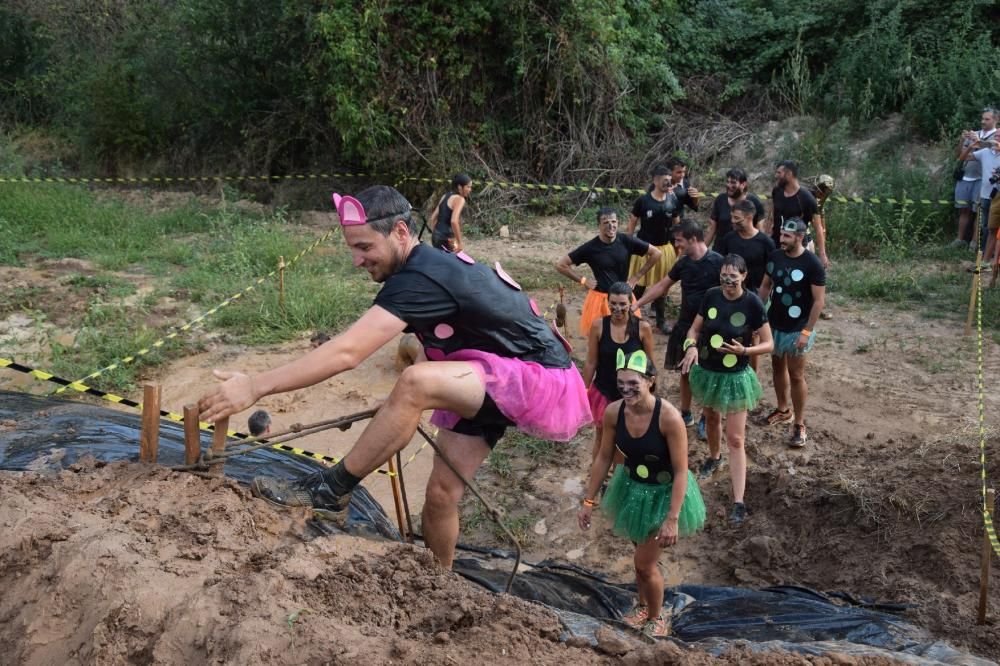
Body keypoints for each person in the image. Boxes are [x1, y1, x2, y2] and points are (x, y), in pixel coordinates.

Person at [197, 185, 590, 570]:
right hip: (492, 373)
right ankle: (441, 584)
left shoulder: (420, 278)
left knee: (416, 383)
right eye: (352, 248)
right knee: (440, 493)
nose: (356, 259)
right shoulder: (425, 270)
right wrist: (395, 407)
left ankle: (331, 490)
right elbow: (435, 343)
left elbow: (347, 352)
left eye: (365, 247)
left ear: (401, 232)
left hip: (541, 379)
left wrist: (256, 385)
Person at [578, 349, 705, 637]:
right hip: (632, 489)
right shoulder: (614, 412)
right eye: (621, 382)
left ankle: (658, 617)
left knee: (645, 564)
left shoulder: (668, 418)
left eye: (633, 383)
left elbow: (682, 471)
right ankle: (642, 605)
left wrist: (672, 518)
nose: (626, 389)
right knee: (639, 556)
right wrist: (588, 500)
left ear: (650, 381)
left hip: (664, 494)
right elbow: (603, 457)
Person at [679, 255, 773, 524]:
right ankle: (713, 457)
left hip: (735, 377)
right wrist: (692, 346)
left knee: (736, 438)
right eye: (724, 276)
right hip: (708, 373)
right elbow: (693, 330)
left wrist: (745, 350)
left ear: (743, 276)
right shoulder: (711, 296)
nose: (728, 282)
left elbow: (769, 344)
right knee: (710, 420)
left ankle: (739, 500)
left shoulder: (752, 302)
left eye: (733, 277)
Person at [635, 221, 723, 430]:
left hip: (711, 330)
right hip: (686, 325)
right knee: (685, 372)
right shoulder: (683, 263)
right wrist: (637, 303)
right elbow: (662, 285)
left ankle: (706, 416)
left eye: (679, 240)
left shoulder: (718, 262)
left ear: (693, 239)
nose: (676, 244)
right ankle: (685, 412)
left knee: (709, 374)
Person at [757, 218, 826, 448]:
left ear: (799, 237)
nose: (781, 239)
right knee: (777, 367)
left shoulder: (812, 264)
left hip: (797, 328)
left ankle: (799, 423)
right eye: (781, 235)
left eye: (786, 236)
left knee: (796, 374)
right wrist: (758, 315)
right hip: (774, 324)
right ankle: (782, 409)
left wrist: (807, 331)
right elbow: (766, 286)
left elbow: (818, 302)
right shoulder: (775, 257)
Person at [556, 207, 662, 336]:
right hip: (600, 301)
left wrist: (637, 276)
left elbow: (656, 253)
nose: (610, 225)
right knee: (601, 339)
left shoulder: (626, 240)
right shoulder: (590, 247)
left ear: (617, 222)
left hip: (624, 298)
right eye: (606, 222)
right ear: (599, 225)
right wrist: (583, 281)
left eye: (613, 222)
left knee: (627, 335)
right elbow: (561, 265)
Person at [581, 282, 655, 460]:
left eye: (622, 304)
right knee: (602, 438)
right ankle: (598, 478)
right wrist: (583, 390)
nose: (617, 308)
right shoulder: (599, 326)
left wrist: (651, 395)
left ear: (631, 303)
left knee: (623, 441)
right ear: (607, 302)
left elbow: (649, 365)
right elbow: (591, 361)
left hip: (631, 394)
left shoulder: (643, 328)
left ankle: (616, 482)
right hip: (604, 391)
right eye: (613, 303)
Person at [716, 200, 776, 372]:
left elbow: (771, 272)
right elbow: (719, 264)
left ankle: (752, 377)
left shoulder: (765, 242)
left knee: (755, 337)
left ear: (750, 217)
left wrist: (762, 298)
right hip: (730, 294)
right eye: (732, 217)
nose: (733, 221)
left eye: (737, 218)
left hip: (757, 296)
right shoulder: (728, 238)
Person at [627, 165, 683, 334]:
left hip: (665, 249)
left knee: (662, 287)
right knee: (638, 285)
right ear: (655, 180)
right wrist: (628, 243)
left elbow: (677, 225)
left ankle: (660, 321)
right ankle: (631, 318)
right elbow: (632, 222)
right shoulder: (643, 201)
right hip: (644, 249)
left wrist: (678, 245)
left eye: (669, 180)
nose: (668, 183)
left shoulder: (673, 201)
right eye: (664, 180)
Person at [766, 161, 829, 269]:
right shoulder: (777, 191)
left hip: (796, 247)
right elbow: (772, 215)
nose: (776, 176)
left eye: (779, 173)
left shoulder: (807, 199)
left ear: (789, 174)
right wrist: (767, 237)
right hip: (776, 244)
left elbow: (818, 228)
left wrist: (822, 254)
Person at [952, 109, 997, 250]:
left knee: (979, 210)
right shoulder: (974, 134)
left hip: (982, 178)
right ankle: (959, 239)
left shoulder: (997, 135)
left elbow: (992, 147)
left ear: (995, 120)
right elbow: (959, 155)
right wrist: (962, 140)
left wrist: (978, 141)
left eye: (987, 119)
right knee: (963, 209)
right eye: (982, 118)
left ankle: (974, 243)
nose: (983, 121)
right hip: (966, 175)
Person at [960, 125, 1000, 266]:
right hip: (985, 195)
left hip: (998, 197)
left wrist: (985, 142)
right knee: (986, 228)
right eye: (996, 136)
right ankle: (985, 259)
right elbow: (962, 158)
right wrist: (971, 146)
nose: (996, 139)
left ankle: (989, 260)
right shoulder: (985, 152)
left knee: (994, 229)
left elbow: (996, 145)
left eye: (999, 137)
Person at [706, 168, 765, 249]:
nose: (729, 185)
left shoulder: (754, 202)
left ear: (743, 184)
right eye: (728, 182)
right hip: (721, 250)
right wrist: (703, 251)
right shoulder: (720, 199)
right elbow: (711, 228)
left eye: (733, 182)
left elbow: (760, 231)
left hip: (744, 251)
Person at [430, 173, 473, 252]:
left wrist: (435, 234)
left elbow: (433, 217)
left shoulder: (445, 195)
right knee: (450, 262)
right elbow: (454, 221)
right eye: (468, 187)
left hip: (436, 236)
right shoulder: (460, 199)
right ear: (460, 187)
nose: (470, 189)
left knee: (438, 261)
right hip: (446, 239)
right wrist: (459, 242)